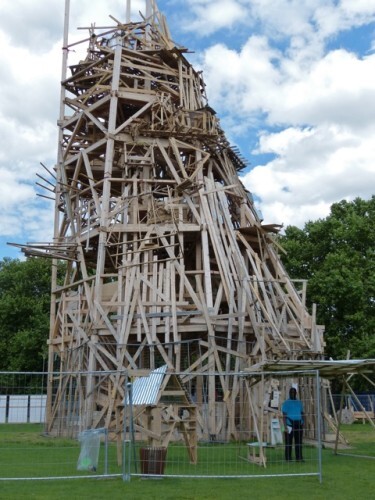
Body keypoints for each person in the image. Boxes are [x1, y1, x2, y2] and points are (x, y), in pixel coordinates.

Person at [282, 387, 304, 462]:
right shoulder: (286, 403)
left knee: (299, 442)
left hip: (299, 423)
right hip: (289, 424)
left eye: (294, 392)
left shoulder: (299, 402)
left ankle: (299, 457)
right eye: (291, 392)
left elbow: (302, 413)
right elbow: (284, 415)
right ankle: (288, 458)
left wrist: (303, 422)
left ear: (296, 393)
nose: (292, 394)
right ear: (289, 393)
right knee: (288, 442)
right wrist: (285, 427)